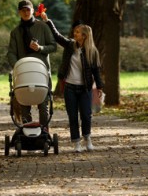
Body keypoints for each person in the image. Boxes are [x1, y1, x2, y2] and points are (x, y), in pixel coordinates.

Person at [40, 12, 103, 152]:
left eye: (78, 32)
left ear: (85, 35)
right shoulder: (70, 45)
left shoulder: (92, 52)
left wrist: (99, 87)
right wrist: (47, 20)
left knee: (86, 115)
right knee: (73, 116)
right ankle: (76, 143)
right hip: (70, 88)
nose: (75, 34)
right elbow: (57, 36)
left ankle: (87, 139)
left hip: (85, 88)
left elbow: (96, 71)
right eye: (75, 31)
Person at [7, 0, 57, 126]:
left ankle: (44, 132)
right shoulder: (15, 32)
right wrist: (17, 66)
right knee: (24, 104)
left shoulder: (43, 27)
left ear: (33, 11)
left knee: (43, 105)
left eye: (28, 9)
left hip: (41, 71)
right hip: (24, 72)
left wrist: (40, 48)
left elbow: (53, 46)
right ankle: (26, 131)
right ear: (19, 12)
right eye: (23, 10)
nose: (25, 12)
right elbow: (11, 53)